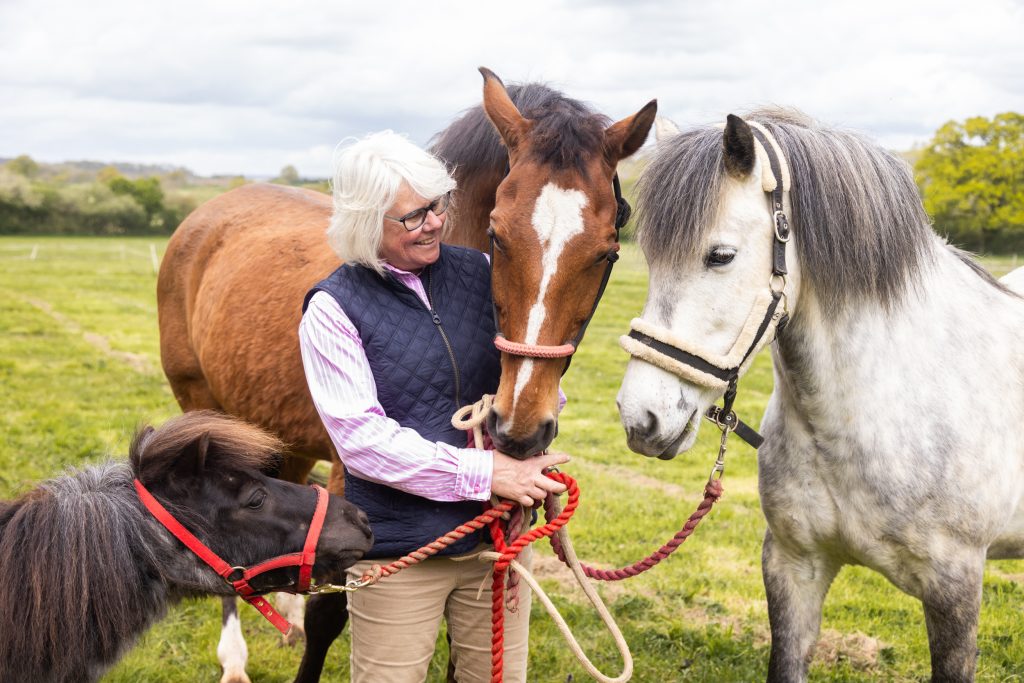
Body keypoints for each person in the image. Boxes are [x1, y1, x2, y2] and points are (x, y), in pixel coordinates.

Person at [298, 130, 568, 683]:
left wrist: (530, 422)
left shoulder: (478, 272)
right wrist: (486, 470)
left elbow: (523, 372)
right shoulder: (332, 309)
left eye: (439, 206)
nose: (436, 223)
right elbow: (363, 443)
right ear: (365, 221)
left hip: (498, 542)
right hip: (400, 553)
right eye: (414, 216)